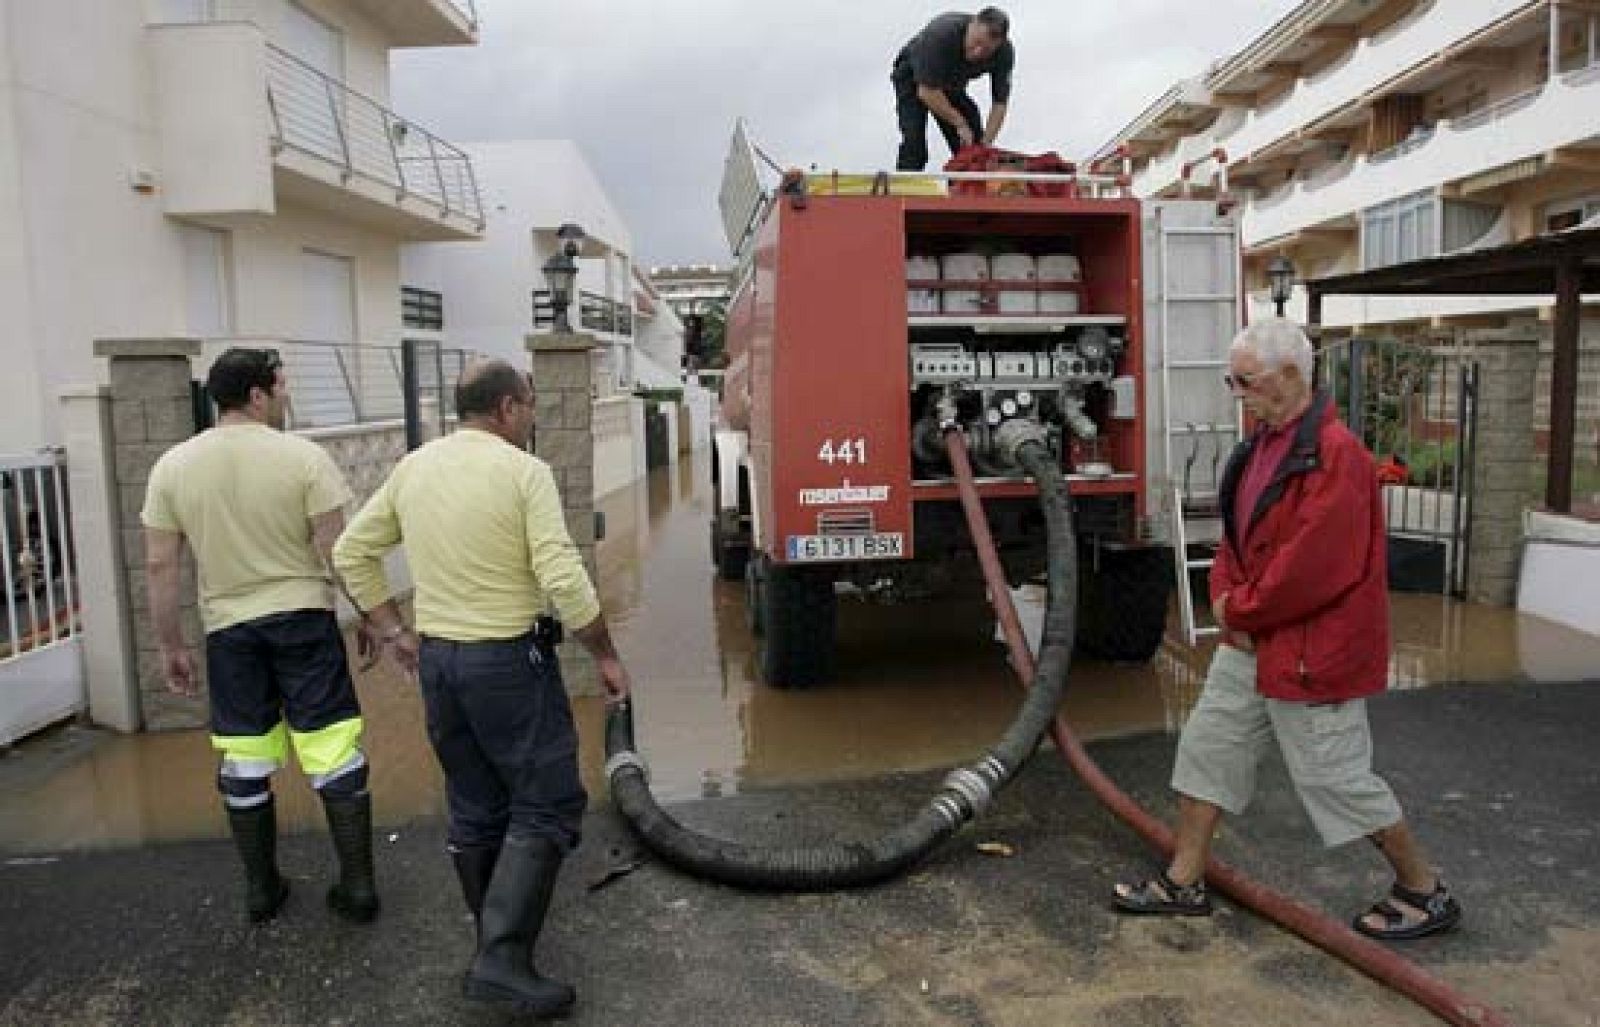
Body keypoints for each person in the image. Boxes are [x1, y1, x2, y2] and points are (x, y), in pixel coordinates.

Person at [1111, 320, 1462, 942]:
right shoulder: (1260, 446)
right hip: (1254, 642)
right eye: (1233, 381)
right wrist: (1222, 593)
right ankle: (1184, 880)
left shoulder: (1338, 458)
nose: (1237, 393)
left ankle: (1423, 890)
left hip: (1309, 653)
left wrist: (1237, 611)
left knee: (1337, 778)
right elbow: (1236, 540)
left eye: (1245, 381)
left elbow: (1309, 572)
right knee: (1207, 751)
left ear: (1293, 376)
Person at [333, 359, 632, 1018]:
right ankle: (500, 958)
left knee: (475, 801)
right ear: (504, 408)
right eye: (528, 403)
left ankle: (492, 938)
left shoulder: (415, 467)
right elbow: (560, 569)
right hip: (506, 664)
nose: (532, 415)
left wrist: (390, 629)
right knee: (548, 801)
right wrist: (606, 653)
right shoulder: (524, 472)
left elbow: (351, 551)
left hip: (439, 664)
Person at [142, 346, 378, 926]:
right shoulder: (304, 458)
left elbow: (160, 567)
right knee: (330, 749)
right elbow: (336, 551)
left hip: (228, 631)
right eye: (281, 386)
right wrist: (371, 616)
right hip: (302, 619)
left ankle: (260, 889)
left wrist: (171, 645)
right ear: (256, 394)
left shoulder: (173, 466)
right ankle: (357, 888)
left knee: (245, 758)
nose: (286, 394)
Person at [892, 8, 1014, 171]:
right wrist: (959, 122)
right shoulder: (941, 34)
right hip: (913, 78)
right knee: (915, 144)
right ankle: (903, 191)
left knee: (975, 148)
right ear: (972, 24)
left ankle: (968, 190)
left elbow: (1000, 104)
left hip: (951, 84)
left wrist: (985, 144)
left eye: (986, 50)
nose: (978, 52)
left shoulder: (1004, 54)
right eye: (976, 42)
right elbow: (926, 92)